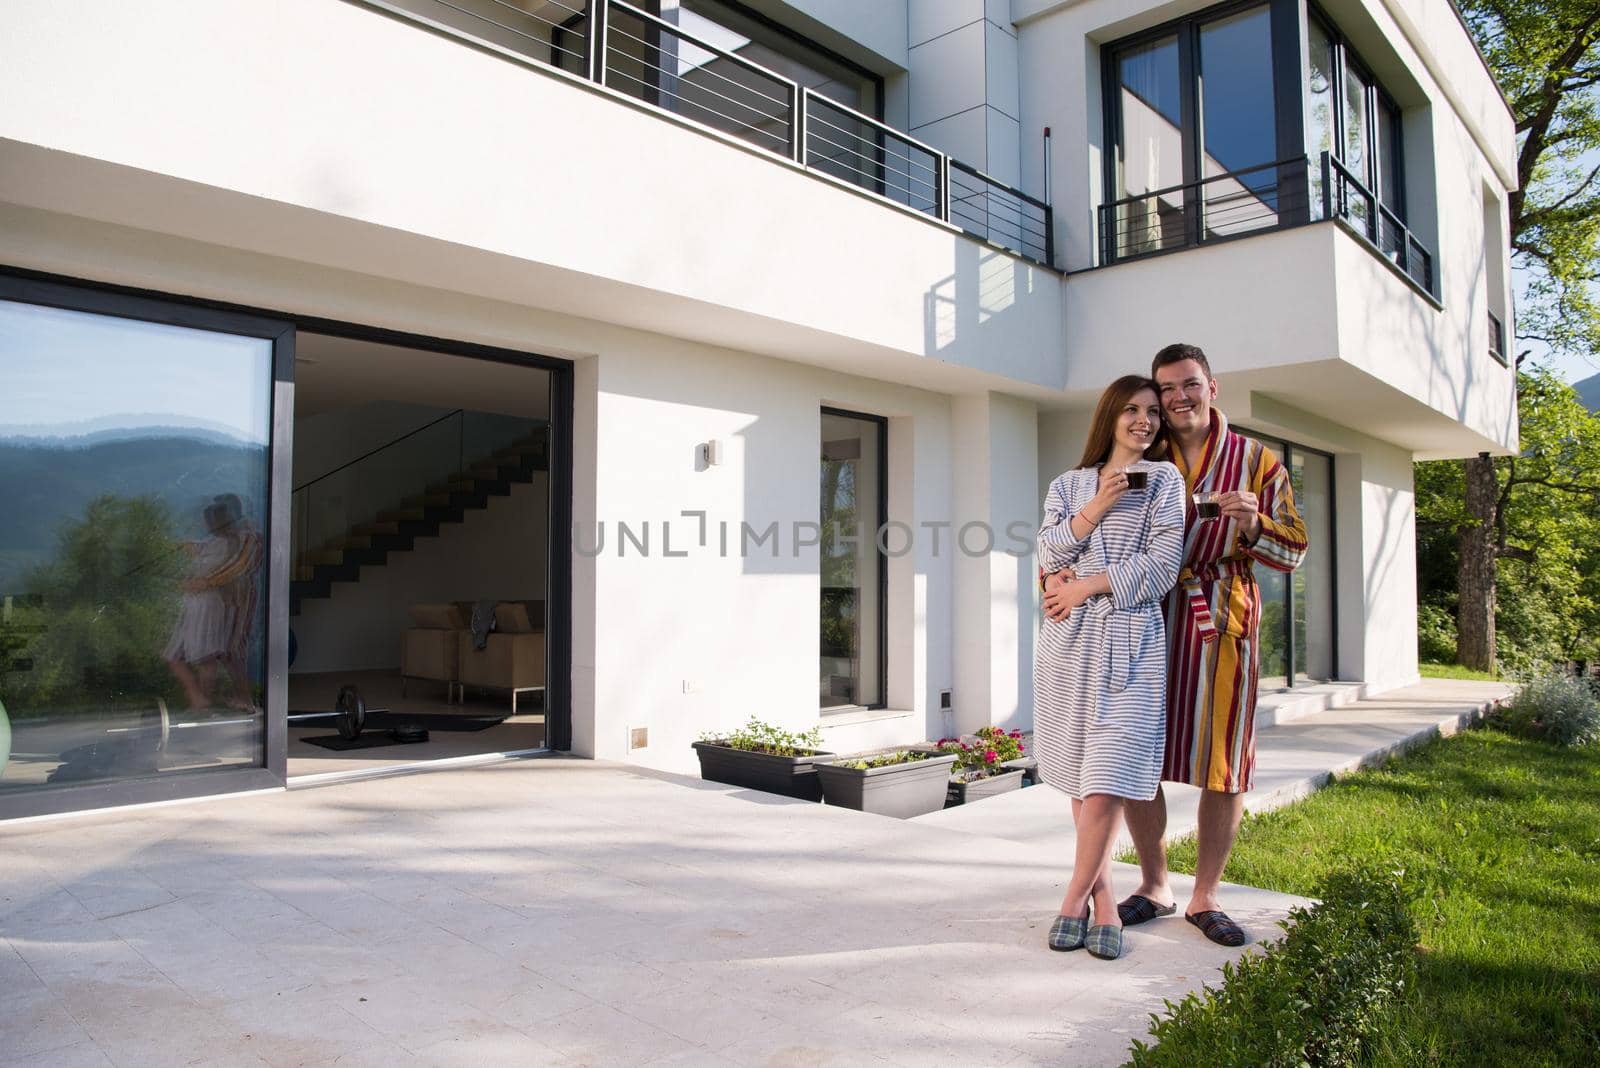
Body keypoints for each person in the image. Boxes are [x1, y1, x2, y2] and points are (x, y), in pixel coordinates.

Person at [1069, 342, 1308, 947]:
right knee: (1137, 756)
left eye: (1189, 385)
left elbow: (1295, 551)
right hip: (1145, 618)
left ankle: (1206, 896)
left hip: (1222, 621)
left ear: (1212, 387)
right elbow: (1095, 526)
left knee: (1223, 763)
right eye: (1166, 388)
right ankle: (1155, 884)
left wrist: (1252, 524)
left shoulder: (1257, 461)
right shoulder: (1148, 452)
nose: (1176, 398)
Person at [1034, 375, 1183, 960]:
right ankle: (1104, 906)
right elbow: (1048, 554)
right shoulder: (1070, 485)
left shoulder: (1166, 482)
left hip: (1132, 643)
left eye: (1152, 412)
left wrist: (1088, 584)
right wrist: (1098, 506)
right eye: (1131, 410)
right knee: (1079, 776)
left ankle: (1071, 900)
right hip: (1070, 647)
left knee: (1108, 782)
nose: (1143, 420)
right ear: (1109, 417)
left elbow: (1162, 565)